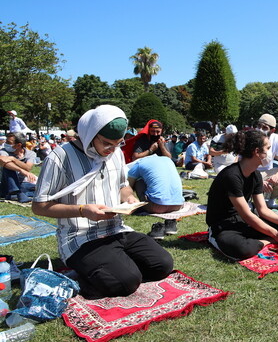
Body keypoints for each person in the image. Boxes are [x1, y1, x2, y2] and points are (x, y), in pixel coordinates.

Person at [32, 105, 173, 298]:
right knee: (126, 283)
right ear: (90, 135)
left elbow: (123, 186)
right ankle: (99, 272)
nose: (112, 149)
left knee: (162, 264)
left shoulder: (115, 154)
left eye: (118, 143)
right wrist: (83, 210)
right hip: (80, 237)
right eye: (107, 143)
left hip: (116, 229)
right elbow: (39, 206)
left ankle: (113, 268)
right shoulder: (60, 157)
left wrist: (129, 198)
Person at [206, 130, 278, 260]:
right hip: (223, 225)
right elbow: (247, 215)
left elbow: (263, 210)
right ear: (256, 152)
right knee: (242, 249)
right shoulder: (231, 176)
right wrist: (275, 235)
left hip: (241, 222)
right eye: (267, 148)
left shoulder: (256, 175)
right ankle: (268, 241)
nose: (270, 153)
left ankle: (263, 239)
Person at [128, 155, 185, 239]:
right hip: (178, 205)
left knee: (138, 180)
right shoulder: (168, 160)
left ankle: (142, 203)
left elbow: (128, 185)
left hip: (156, 206)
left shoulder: (139, 164)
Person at [0, 133, 37, 203]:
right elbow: (2, 161)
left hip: (21, 183)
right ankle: (18, 193)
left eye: (9, 142)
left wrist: (13, 159)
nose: (6, 143)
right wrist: (21, 170)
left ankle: (14, 194)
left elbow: (28, 168)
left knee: (38, 188)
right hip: (5, 183)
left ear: (19, 145)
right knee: (8, 167)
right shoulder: (3, 151)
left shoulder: (30, 153)